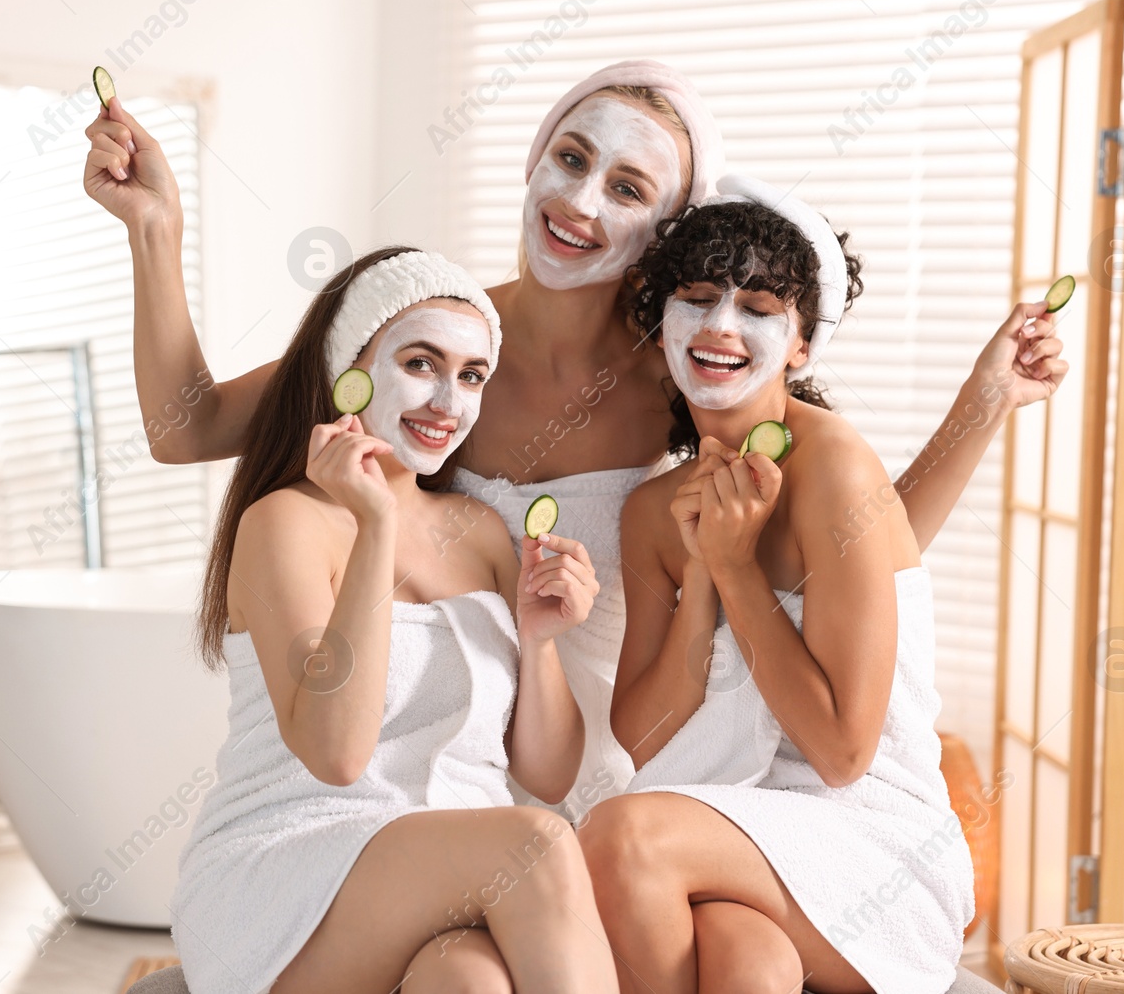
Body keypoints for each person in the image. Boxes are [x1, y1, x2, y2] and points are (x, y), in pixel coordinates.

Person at [84, 59, 1066, 818]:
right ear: (534, 158)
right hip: (443, 756)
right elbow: (193, 427)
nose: (580, 202)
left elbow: (846, 547)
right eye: (570, 158)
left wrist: (982, 404)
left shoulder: (683, 375)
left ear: (665, 231)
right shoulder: (441, 339)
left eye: (630, 189)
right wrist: (154, 231)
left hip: (605, 758)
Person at [169, 246, 618, 994]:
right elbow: (336, 753)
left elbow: (546, 771)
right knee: (539, 842)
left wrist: (539, 643)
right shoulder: (287, 523)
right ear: (349, 369)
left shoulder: (478, 531)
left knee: (468, 983)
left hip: (451, 868)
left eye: (472, 375)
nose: (448, 399)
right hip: (293, 866)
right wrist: (376, 525)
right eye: (420, 362)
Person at [582, 175, 976, 994]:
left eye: (759, 308)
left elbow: (841, 752)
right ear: (662, 324)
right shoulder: (656, 510)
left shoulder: (835, 466)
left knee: (619, 834)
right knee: (743, 955)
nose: (722, 324)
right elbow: (645, 735)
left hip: (871, 840)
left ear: (801, 343)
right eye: (696, 297)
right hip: (738, 817)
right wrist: (698, 570)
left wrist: (734, 567)